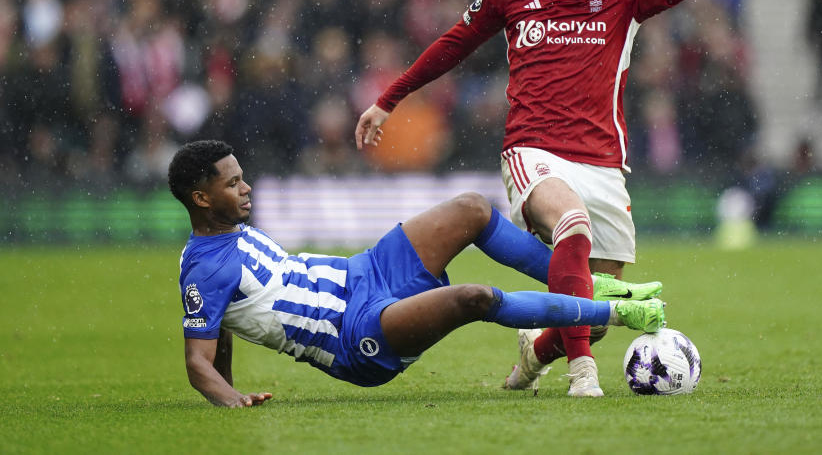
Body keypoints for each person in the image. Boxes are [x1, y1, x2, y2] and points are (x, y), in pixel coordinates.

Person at [355, 0, 725, 397]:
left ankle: (537, 351)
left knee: (595, 314)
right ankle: (583, 375)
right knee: (570, 223)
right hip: (533, 153)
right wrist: (390, 99)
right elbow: (453, 45)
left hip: (603, 161)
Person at [169, 140, 666, 407]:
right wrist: (230, 399)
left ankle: (595, 286)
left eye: (243, 177)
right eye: (234, 184)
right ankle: (613, 311)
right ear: (201, 198)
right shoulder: (203, 269)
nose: (247, 188)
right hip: (356, 335)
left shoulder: (228, 236)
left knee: (472, 208)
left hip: (366, 270)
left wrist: (226, 381)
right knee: (473, 297)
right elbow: (198, 361)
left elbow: (221, 328)